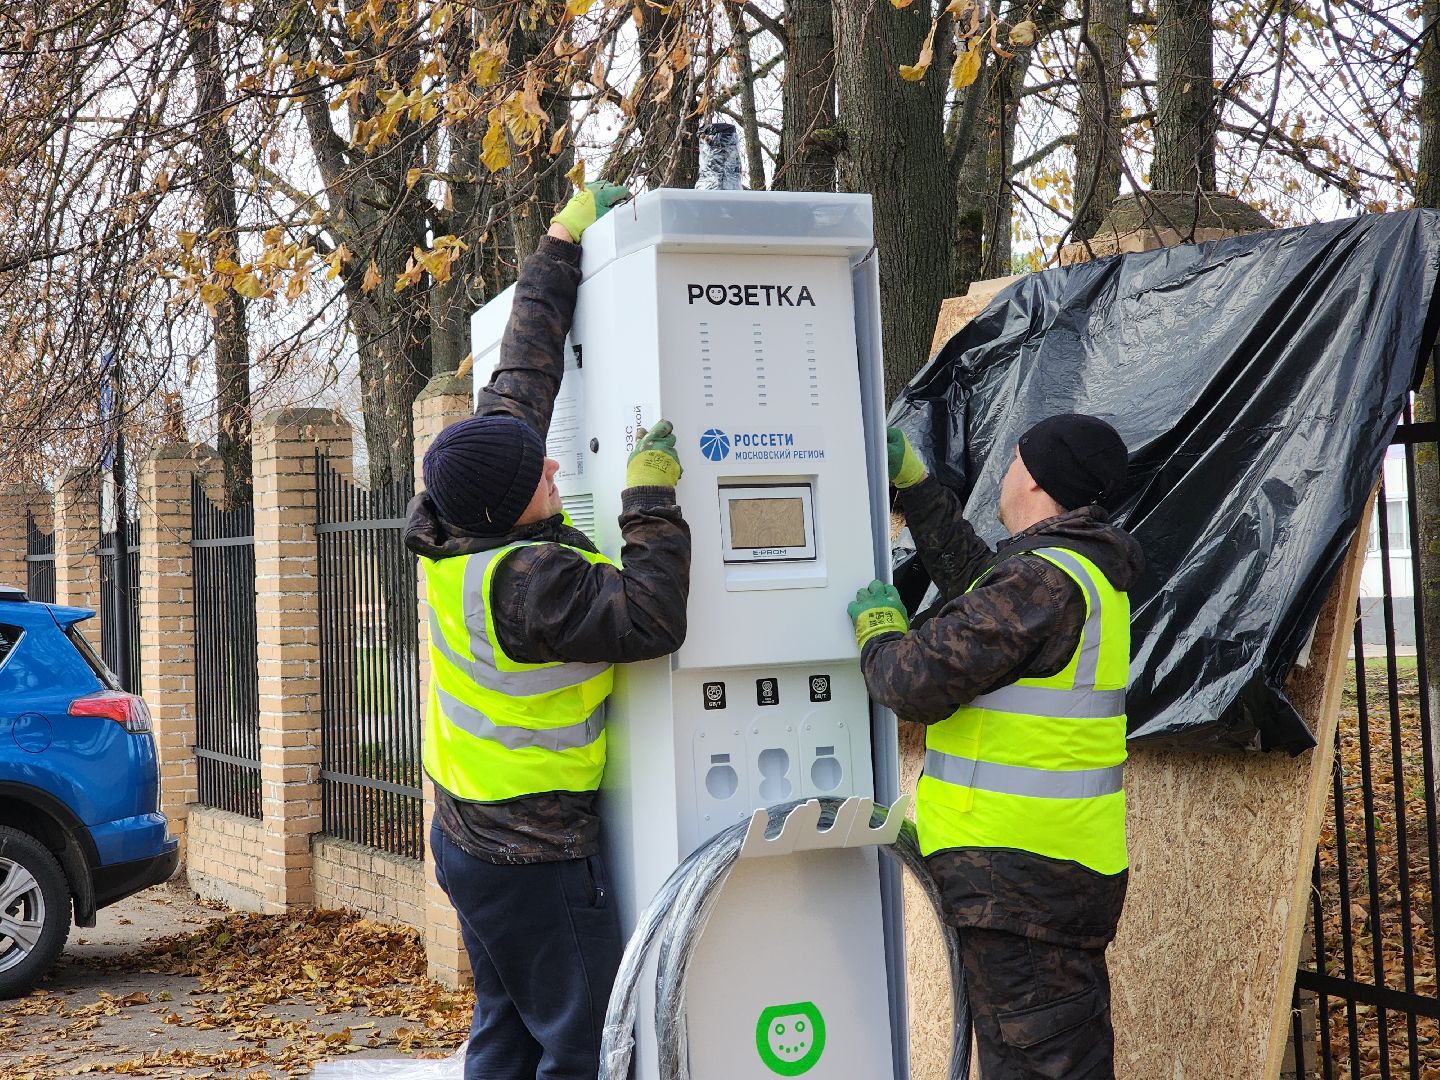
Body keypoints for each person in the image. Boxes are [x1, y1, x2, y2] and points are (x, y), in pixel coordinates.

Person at [405, 182, 692, 1080]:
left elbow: (523, 375)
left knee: (505, 1030)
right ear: (511, 503)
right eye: (542, 474)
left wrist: (562, 241)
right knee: (581, 1043)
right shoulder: (528, 583)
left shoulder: (457, 511)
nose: (554, 463)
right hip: (530, 852)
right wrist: (649, 499)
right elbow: (651, 617)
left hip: (465, 835)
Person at [848, 415, 1143, 1080]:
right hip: (1049, 872)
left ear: (1033, 478)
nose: (1005, 473)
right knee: (1060, 1055)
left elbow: (913, 681)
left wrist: (879, 634)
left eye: (1012, 460)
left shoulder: (1044, 582)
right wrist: (920, 491)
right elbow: (977, 585)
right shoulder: (1070, 569)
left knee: (1039, 1065)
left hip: (1020, 882)